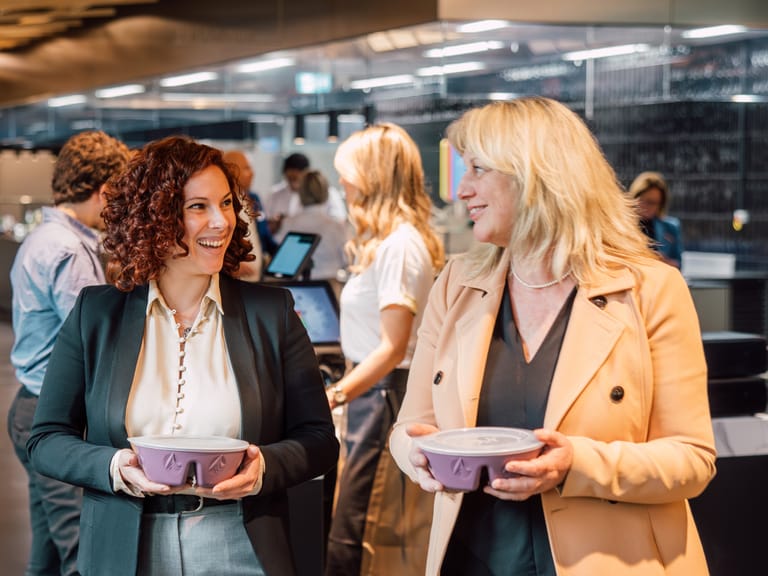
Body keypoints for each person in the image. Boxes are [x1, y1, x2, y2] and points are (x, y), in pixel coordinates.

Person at [389, 97, 717, 576]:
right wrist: (416, 455)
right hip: (475, 556)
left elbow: (692, 459)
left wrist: (575, 465)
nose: (463, 191)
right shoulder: (457, 284)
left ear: (535, 177)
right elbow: (409, 426)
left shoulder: (650, 289)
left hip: (611, 561)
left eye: (478, 169)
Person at [27, 136, 339, 576]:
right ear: (155, 215)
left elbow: (319, 440)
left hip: (239, 542)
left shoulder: (272, 313)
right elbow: (45, 439)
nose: (220, 221)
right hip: (125, 545)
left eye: (227, 203)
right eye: (198, 207)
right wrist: (115, 466)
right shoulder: (97, 313)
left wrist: (263, 467)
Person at [7, 130, 131, 576]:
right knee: (83, 551)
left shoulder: (45, 238)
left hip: (29, 405)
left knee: (48, 551)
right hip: (51, 410)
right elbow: (94, 343)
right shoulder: (70, 250)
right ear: (103, 192)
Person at [324, 123, 445, 576]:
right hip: (370, 394)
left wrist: (336, 394)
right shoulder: (389, 244)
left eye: (348, 173)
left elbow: (393, 348)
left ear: (372, 177)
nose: (343, 184)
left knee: (362, 529)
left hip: (382, 397)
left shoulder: (401, 247)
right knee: (350, 524)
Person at [275, 169, 349, 281]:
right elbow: (347, 260)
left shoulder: (287, 223)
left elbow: (281, 261)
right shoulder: (336, 226)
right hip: (329, 286)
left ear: (300, 192)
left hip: (295, 287)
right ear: (325, 192)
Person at [222, 149, 279, 279]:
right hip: (233, 282)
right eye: (247, 168)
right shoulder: (222, 202)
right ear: (232, 171)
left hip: (257, 280)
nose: (252, 173)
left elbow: (264, 236)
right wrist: (227, 265)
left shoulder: (254, 199)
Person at [628, 171, 683, 268]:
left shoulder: (670, 227)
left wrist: (662, 260)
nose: (651, 207)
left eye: (656, 203)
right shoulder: (622, 226)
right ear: (636, 198)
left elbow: (679, 264)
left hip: (659, 279)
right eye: (648, 201)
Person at [264, 152, 309, 235]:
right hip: (277, 244)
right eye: (291, 171)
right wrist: (276, 223)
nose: (295, 175)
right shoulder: (274, 194)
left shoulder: (319, 194)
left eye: (299, 171)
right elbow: (265, 223)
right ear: (285, 172)